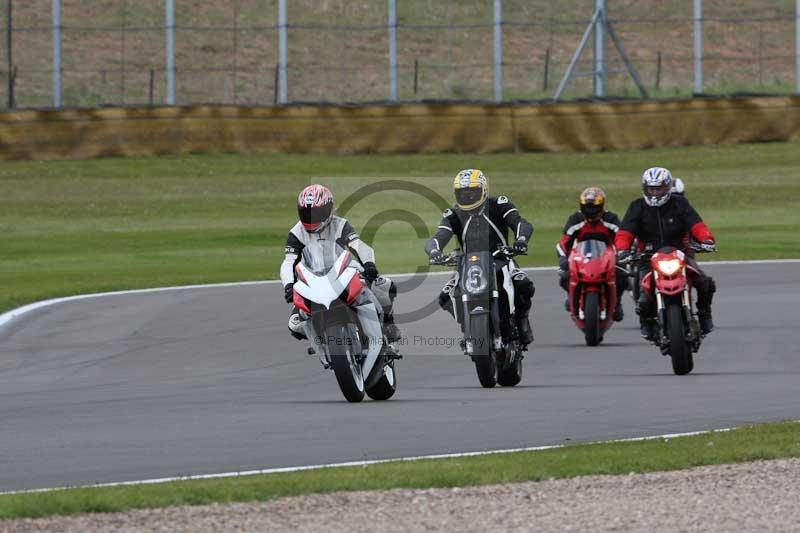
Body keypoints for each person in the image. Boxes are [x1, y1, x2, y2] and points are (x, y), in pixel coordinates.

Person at [424, 169, 535, 346]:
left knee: (524, 285)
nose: (467, 196)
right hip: (467, 264)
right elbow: (438, 237)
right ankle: (468, 329)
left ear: (483, 190)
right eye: (462, 192)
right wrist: (435, 252)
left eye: (472, 191)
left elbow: (520, 222)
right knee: (445, 296)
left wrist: (521, 240)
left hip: (502, 258)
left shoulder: (499, 204)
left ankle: (521, 321)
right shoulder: (452, 214)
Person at [280, 184, 401, 344]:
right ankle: (320, 343)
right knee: (294, 324)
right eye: (306, 213)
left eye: (316, 213)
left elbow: (357, 245)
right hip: (312, 277)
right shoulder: (296, 232)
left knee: (383, 286)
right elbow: (289, 262)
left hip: (342, 270)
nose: (311, 218)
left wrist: (369, 264)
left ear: (328, 209)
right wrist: (289, 285)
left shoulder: (340, 224)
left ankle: (387, 323)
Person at [615, 167, 717, 339]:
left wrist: (706, 240)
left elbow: (696, 225)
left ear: (668, 187)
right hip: (647, 257)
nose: (655, 193)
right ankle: (646, 322)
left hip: (679, 254)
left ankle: (704, 313)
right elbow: (625, 232)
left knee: (705, 283)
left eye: (659, 188)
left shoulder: (680, 203)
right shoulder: (637, 206)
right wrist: (622, 249)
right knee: (643, 296)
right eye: (651, 189)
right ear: (645, 188)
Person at [556, 187, 626, 321]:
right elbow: (563, 243)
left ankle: (617, 302)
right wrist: (563, 259)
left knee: (622, 275)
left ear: (601, 206)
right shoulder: (575, 219)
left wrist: (621, 255)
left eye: (594, 207)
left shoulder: (611, 219)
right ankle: (571, 296)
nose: (590, 211)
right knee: (564, 277)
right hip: (582, 259)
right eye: (587, 207)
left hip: (606, 259)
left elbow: (621, 238)